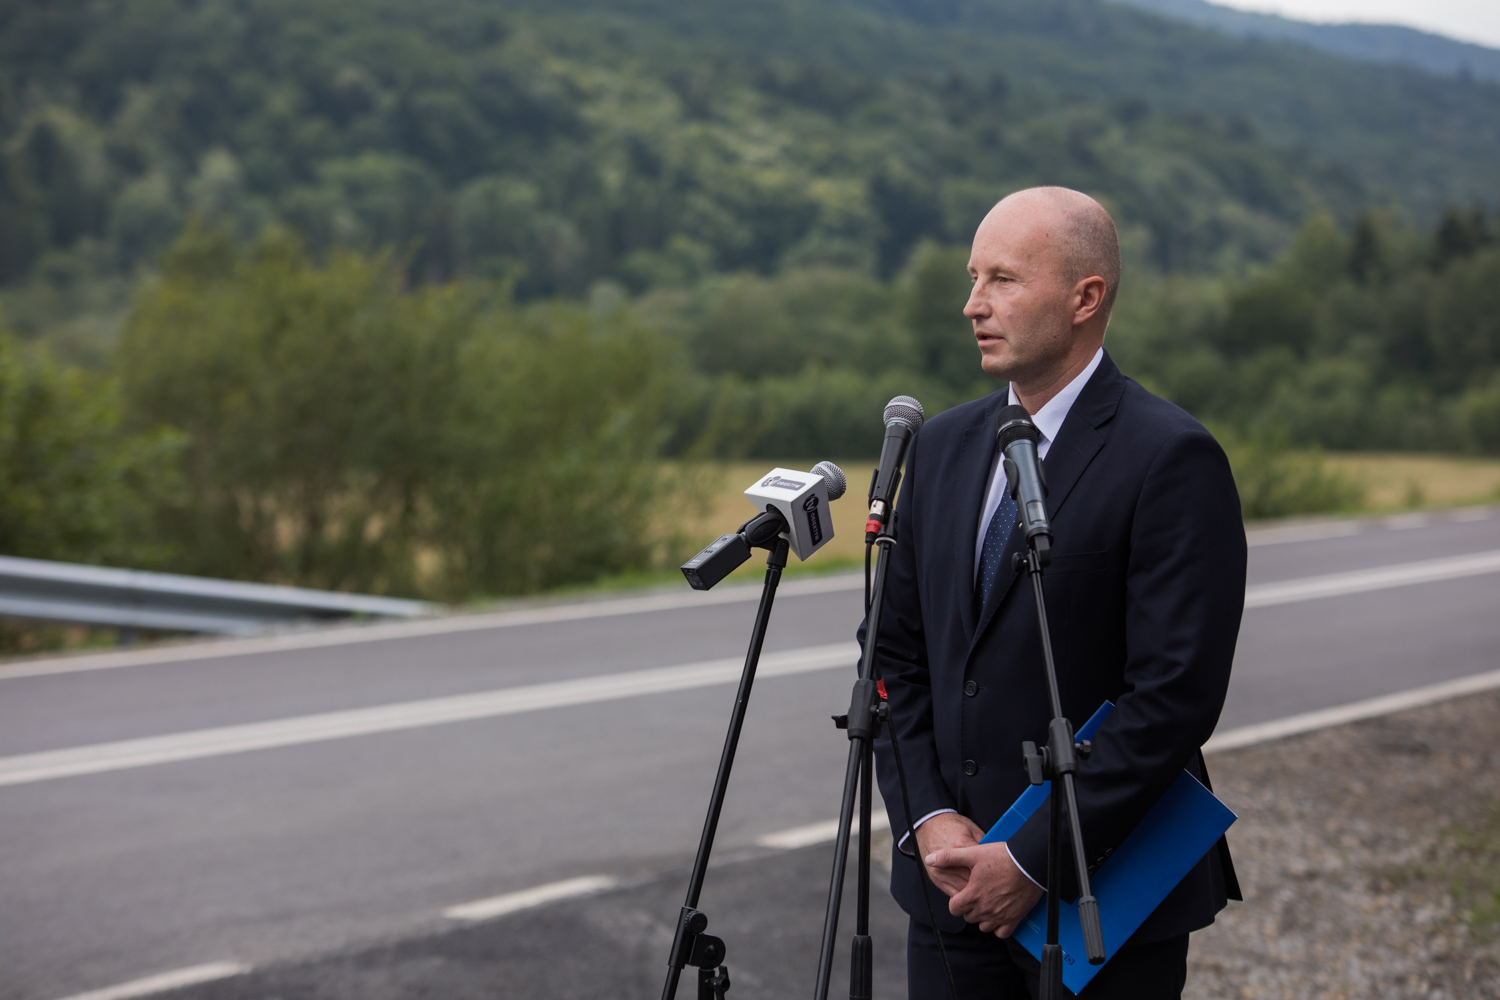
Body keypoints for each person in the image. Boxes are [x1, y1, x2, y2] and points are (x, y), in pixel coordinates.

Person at [869, 187, 1245, 999]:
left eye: (1003, 279)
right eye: (974, 278)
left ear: (1085, 297)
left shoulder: (1171, 457)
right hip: (949, 893)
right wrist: (928, 818)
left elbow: (1174, 696)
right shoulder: (938, 449)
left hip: (1101, 900)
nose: (974, 304)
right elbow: (891, 655)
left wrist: (1033, 858)